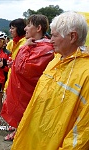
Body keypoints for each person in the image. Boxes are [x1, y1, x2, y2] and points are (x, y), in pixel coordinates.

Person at [11, 11, 89, 150]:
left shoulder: (85, 73)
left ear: (72, 37)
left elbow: (83, 132)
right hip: (34, 141)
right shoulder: (56, 61)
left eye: (54, 35)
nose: (50, 40)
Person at [1, 14, 54, 141]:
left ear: (38, 28)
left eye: (29, 25)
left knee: (25, 117)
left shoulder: (45, 48)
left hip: (28, 94)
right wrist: (14, 63)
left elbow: (23, 69)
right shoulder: (34, 44)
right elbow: (21, 65)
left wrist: (24, 48)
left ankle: (20, 136)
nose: (25, 29)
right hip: (22, 91)